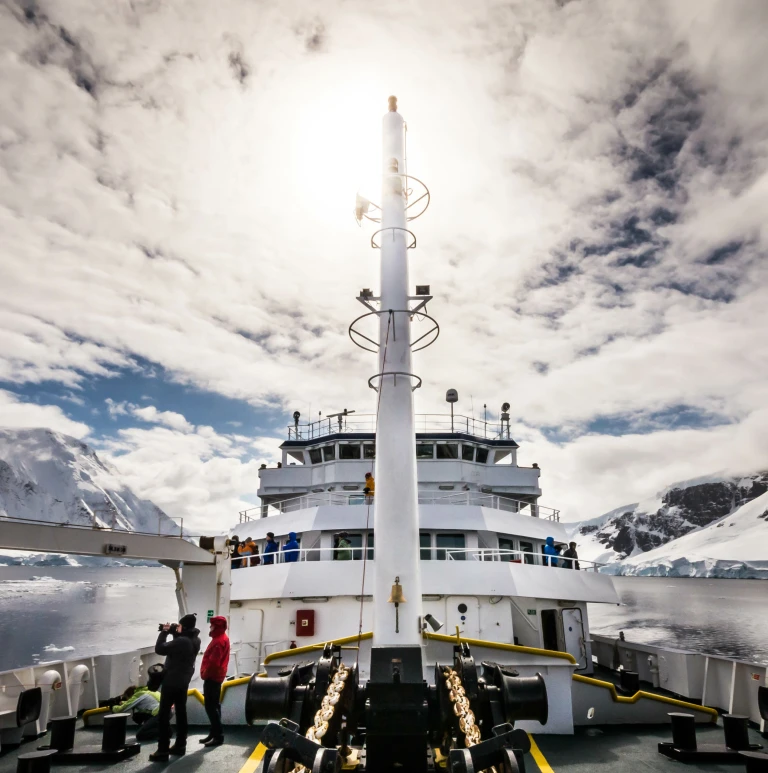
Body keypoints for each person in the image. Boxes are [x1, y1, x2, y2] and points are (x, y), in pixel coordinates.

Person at [149, 614, 201, 762]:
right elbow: (181, 643)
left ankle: (162, 750)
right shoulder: (195, 639)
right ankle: (180, 745)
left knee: (164, 716)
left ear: (183, 627)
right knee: (181, 713)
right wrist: (175, 631)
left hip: (171, 681)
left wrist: (164, 632)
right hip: (183, 681)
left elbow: (160, 648)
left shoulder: (182, 641)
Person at [199, 616, 230, 748]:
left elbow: (213, 662)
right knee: (215, 706)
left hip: (212, 677)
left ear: (216, 626)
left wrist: (205, 674)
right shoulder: (223, 638)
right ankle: (214, 733)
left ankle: (218, 736)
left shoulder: (218, 641)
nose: (210, 627)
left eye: (212, 625)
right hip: (217, 677)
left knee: (210, 707)